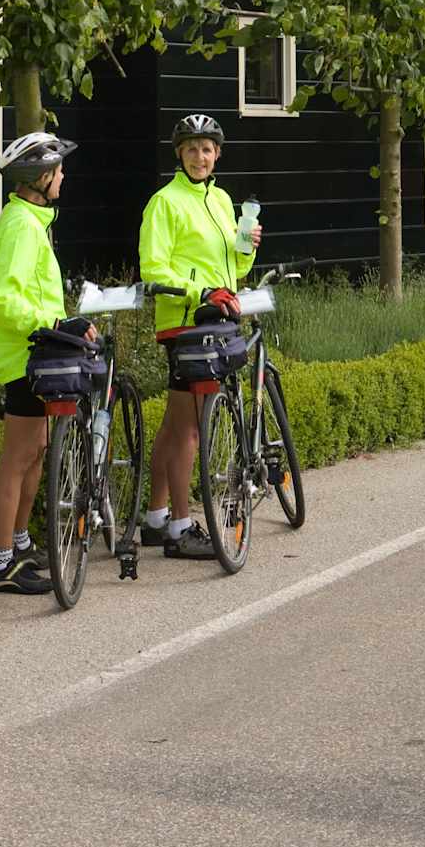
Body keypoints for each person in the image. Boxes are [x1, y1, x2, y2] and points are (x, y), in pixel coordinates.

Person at [138, 112, 261, 559]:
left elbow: (233, 269)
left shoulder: (224, 201)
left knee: (174, 426)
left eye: (206, 149)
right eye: (191, 148)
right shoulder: (165, 202)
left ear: (217, 154)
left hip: (217, 319)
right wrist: (201, 290)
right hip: (187, 323)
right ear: (179, 154)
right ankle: (181, 526)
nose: (199, 156)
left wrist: (246, 251)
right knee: (190, 430)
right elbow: (154, 268)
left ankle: (154, 519)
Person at [0, 129, 94, 596]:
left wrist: (59, 322)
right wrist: (56, 323)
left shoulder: (28, 220)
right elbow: (7, 302)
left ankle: (21, 543)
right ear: (41, 177)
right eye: (58, 170)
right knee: (18, 458)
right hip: (26, 358)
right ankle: (1, 564)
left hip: (37, 353)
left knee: (35, 453)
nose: (64, 177)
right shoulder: (21, 227)